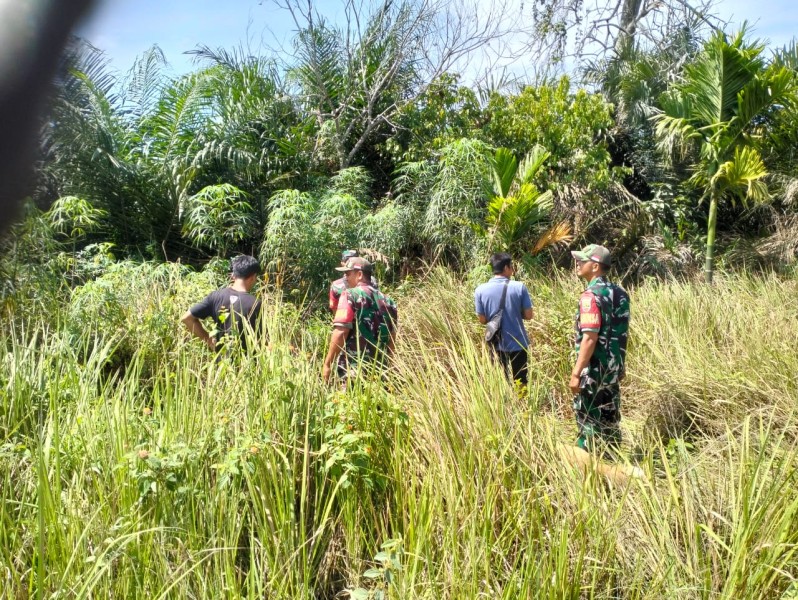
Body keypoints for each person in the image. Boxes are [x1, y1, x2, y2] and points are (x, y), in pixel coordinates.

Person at [569, 244, 630, 455]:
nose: (577, 263)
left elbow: (589, 338)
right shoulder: (620, 293)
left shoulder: (590, 297)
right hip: (613, 369)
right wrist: (620, 365)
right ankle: (613, 464)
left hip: (593, 371)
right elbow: (621, 333)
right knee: (610, 420)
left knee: (587, 422)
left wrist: (576, 374)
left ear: (595, 266)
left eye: (582, 261)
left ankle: (587, 474)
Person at [322, 257, 397, 384]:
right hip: (380, 371)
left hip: (354, 370)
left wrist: (328, 364)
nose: (345, 277)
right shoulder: (389, 301)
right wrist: (389, 363)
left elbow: (341, 332)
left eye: (348, 273)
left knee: (350, 402)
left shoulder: (349, 295)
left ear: (360, 274)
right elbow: (392, 336)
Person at [474, 253, 534, 387]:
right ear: (506, 267)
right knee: (521, 380)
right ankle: (523, 406)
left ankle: (505, 406)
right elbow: (529, 315)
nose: (512, 270)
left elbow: (482, 320)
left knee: (500, 382)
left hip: (496, 343)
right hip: (518, 343)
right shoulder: (519, 287)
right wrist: (516, 313)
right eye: (511, 267)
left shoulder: (480, 290)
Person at [181, 255, 262, 353]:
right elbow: (265, 339)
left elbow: (187, 318)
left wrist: (209, 340)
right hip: (247, 364)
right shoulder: (256, 303)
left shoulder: (215, 296)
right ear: (253, 277)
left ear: (234, 275)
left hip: (221, 363)